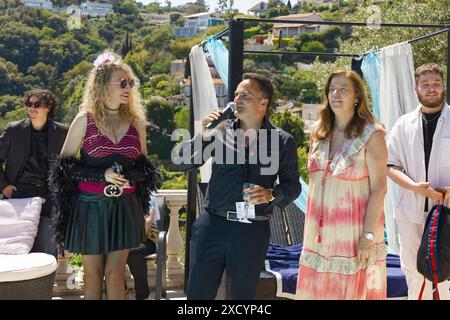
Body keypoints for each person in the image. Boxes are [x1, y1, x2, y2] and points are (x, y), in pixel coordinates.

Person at [175, 73, 301, 300]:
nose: (236, 100)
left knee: (243, 297)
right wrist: (203, 135)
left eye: (245, 95)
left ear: (263, 103)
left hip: (251, 230)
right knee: (198, 295)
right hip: (212, 225)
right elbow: (182, 161)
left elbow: (293, 187)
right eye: (236, 95)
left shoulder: (283, 141)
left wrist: (270, 194)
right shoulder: (219, 132)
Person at [49, 51, 160, 300]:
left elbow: (145, 168)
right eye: (122, 83)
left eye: (131, 83)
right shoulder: (84, 120)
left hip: (125, 207)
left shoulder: (136, 123)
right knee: (92, 274)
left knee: (116, 274)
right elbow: (63, 169)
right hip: (90, 208)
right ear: (102, 85)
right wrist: (102, 176)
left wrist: (129, 175)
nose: (128, 88)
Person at [295, 70, 388, 300]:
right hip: (317, 234)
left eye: (343, 89)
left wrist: (367, 234)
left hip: (354, 231)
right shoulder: (319, 132)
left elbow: (379, 188)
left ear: (357, 96)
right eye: (331, 89)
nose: (335, 94)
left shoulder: (372, 134)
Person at [387, 63, 450, 300]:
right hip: (411, 212)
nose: (431, 89)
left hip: (447, 213)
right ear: (416, 88)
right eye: (425, 84)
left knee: (446, 277)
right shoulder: (403, 124)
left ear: (443, 86)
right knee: (414, 274)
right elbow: (390, 166)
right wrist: (415, 188)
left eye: (436, 84)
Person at [0, 89, 68, 257]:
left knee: (46, 250)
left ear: (49, 107)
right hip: (19, 195)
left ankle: (43, 284)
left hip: (49, 196)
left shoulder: (62, 132)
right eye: (29, 104)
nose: (32, 108)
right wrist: (4, 186)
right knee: (16, 251)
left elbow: (69, 165)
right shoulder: (14, 130)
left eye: (37, 104)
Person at [126, 196, 160, 300]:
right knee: (111, 253)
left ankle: (142, 295)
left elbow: (148, 221)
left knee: (133, 253)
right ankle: (122, 291)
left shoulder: (148, 195)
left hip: (147, 237)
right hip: (127, 239)